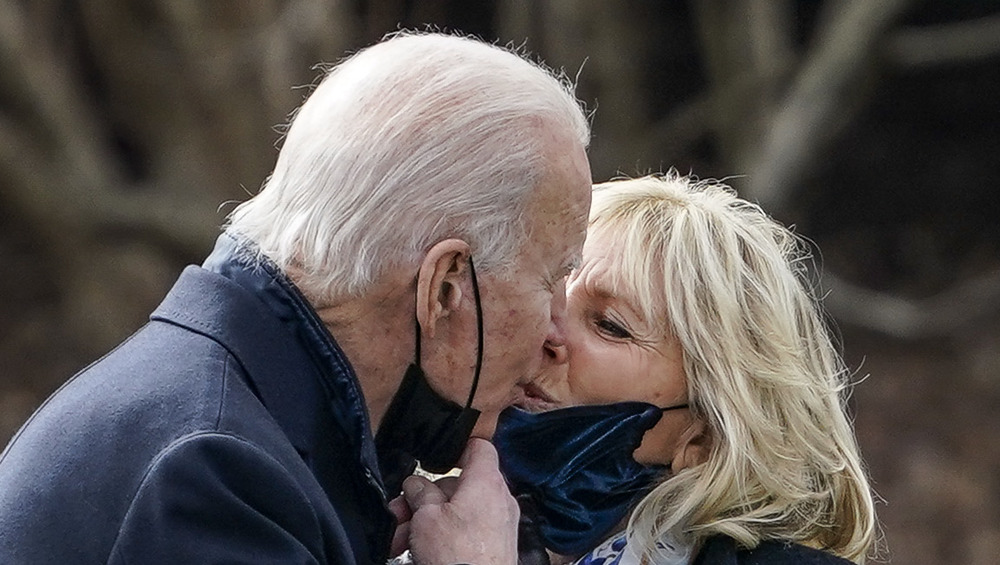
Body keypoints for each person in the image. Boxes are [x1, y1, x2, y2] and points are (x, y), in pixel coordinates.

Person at [0, 32, 593, 565]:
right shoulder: (218, 474)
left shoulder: (241, 430)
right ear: (444, 289)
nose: (558, 337)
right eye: (551, 280)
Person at [494, 174, 878, 564]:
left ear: (704, 438)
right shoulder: (435, 514)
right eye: (548, 292)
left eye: (611, 325)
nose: (544, 330)